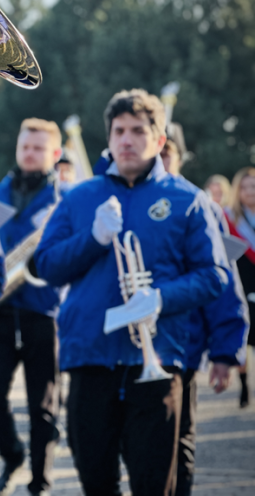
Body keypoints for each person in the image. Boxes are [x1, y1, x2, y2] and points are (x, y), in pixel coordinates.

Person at [35, 89, 229, 496]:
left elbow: (215, 275)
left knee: (154, 485)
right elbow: (46, 266)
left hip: (158, 361)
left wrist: (160, 298)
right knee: (96, 483)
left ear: (159, 141)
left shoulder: (188, 200)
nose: (126, 139)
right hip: (89, 358)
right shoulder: (79, 197)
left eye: (138, 131)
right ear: (108, 138)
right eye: (119, 130)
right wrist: (92, 239)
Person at [160, 141, 250, 496]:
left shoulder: (199, 205)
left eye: (167, 155)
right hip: (130, 346)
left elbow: (222, 280)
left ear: (179, 159)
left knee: (179, 438)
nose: (160, 161)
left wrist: (225, 352)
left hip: (184, 343)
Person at [0, 118, 62, 496]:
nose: (29, 153)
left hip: (42, 312)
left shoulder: (64, 202)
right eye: (25, 146)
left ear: (55, 154)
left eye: (38, 148)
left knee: (42, 405)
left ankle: (40, 481)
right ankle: (12, 454)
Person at [225, 167, 255, 408]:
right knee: (244, 339)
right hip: (242, 284)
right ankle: (244, 384)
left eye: (253, 186)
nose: (249, 192)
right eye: (244, 187)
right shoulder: (229, 218)